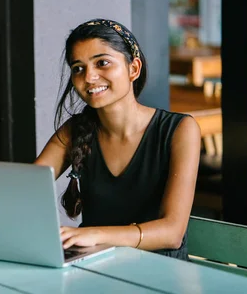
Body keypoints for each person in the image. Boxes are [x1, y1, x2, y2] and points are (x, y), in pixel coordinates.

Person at [35, 18, 201, 260]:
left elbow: (172, 233)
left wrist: (95, 234)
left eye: (102, 63)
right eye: (78, 68)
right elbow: (26, 193)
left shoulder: (179, 129)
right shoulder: (75, 130)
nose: (89, 77)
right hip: (94, 266)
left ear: (133, 69)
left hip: (160, 272)